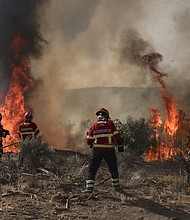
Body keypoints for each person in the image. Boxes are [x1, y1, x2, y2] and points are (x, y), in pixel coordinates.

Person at [85, 108, 124, 193]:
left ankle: (89, 189)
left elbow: (88, 141)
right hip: (109, 150)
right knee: (113, 168)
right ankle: (116, 187)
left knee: (92, 169)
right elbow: (118, 137)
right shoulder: (110, 125)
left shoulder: (93, 126)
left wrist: (91, 141)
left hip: (97, 151)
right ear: (106, 116)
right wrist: (120, 145)